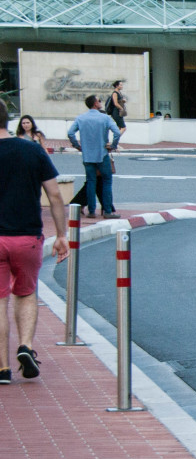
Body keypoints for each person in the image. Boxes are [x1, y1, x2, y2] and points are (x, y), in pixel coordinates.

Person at [0, 111, 70, 383]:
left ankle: (3, 369)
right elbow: (54, 195)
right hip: (27, 237)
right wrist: (61, 235)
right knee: (26, 293)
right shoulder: (32, 151)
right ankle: (26, 346)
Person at [66, 95, 122, 219]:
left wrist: (77, 146)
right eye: (99, 101)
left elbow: (70, 133)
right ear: (95, 103)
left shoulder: (80, 118)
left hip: (87, 155)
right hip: (102, 154)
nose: (101, 103)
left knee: (91, 182)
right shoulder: (104, 118)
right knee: (107, 182)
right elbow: (117, 132)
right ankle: (107, 211)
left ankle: (91, 211)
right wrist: (113, 145)